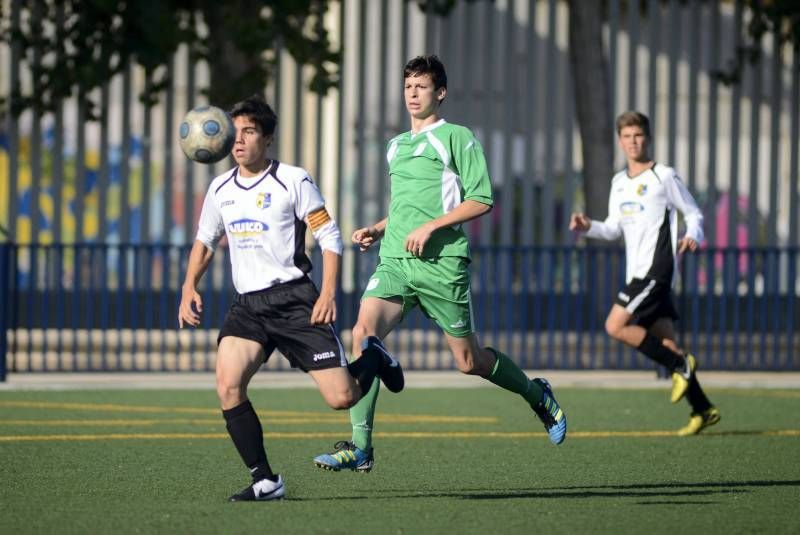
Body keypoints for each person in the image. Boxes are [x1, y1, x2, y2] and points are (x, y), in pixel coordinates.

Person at [312, 55, 567, 473]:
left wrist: (433, 227)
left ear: (440, 93)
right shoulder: (396, 146)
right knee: (364, 334)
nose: (413, 94)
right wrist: (378, 228)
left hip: (442, 265)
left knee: (470, 362)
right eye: (408, 86)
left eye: (422, 87)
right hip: (396, 259)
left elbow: (481, 198)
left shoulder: (457, 138)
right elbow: (408, 208)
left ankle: (537, 395)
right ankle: (361, 448)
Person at [177, 95, 403, 501]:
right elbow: (205, 241)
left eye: (249, 132)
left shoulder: (293, 180)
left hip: (296, 301)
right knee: (228, 385)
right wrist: (188, 285)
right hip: (249, 307)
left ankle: (374, 357)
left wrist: (329, 292)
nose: (239, 140)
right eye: (235, 132)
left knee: (342, 398)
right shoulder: (220, 188)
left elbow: (329, 236)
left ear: (268, 139)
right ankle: (265, 480)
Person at [569, 110, 720, 436]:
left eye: (638, 135)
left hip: (658, 270)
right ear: (621, 141)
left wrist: (694, 234)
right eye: (627, 136)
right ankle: (703, 408)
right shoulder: (618, 183)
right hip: (636, 274)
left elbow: (693, 212)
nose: (633, 142)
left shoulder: (663, 176)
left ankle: (681, 366)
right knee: (666, 343)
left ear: (647, 138)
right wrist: (588, 226)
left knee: (615, 325)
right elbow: (612, 229)